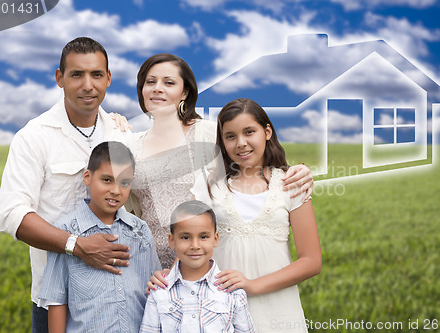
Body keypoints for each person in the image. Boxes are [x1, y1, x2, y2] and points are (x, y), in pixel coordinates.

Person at [127, 53, 314, 270]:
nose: (157, 88)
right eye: (150, 82)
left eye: (168, 82)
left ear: (185, 92)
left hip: (209, 264)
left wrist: (301, 170)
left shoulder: (208, 133)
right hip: (150, 267)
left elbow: (254, 161)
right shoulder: (130, 144)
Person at [0, 37, 131, 332]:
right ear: (60, 78)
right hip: (56, 300)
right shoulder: (34, 137)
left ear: (108, 78)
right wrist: (77, 246)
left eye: (96, 74)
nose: (87, 85)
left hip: (116, 297)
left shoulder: (121, 134)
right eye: (76, 74)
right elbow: (12, 214)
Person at [189, 98, 322, 332]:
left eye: (249, 132)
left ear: (267, 131)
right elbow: (191, 246)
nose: (241, 143)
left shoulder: (291, 183)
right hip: (222, 308)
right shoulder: (209, 186)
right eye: (230, 136)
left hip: (279, 310)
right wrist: (167, 277)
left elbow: (311, 261)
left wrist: (252, 285)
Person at [39, 141, 161, 333]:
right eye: (107, 180)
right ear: (87, 177)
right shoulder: (65, 231)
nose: (115, 190)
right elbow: (56, 300)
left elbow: (154, 290)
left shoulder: (140, 230)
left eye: (124, 182)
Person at [140, 200, 255, 333]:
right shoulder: (159, 292)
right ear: (171, 240)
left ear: (215, 239)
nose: (195, 245)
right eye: (185, 237)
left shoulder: (232, 292)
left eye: (204, 236)